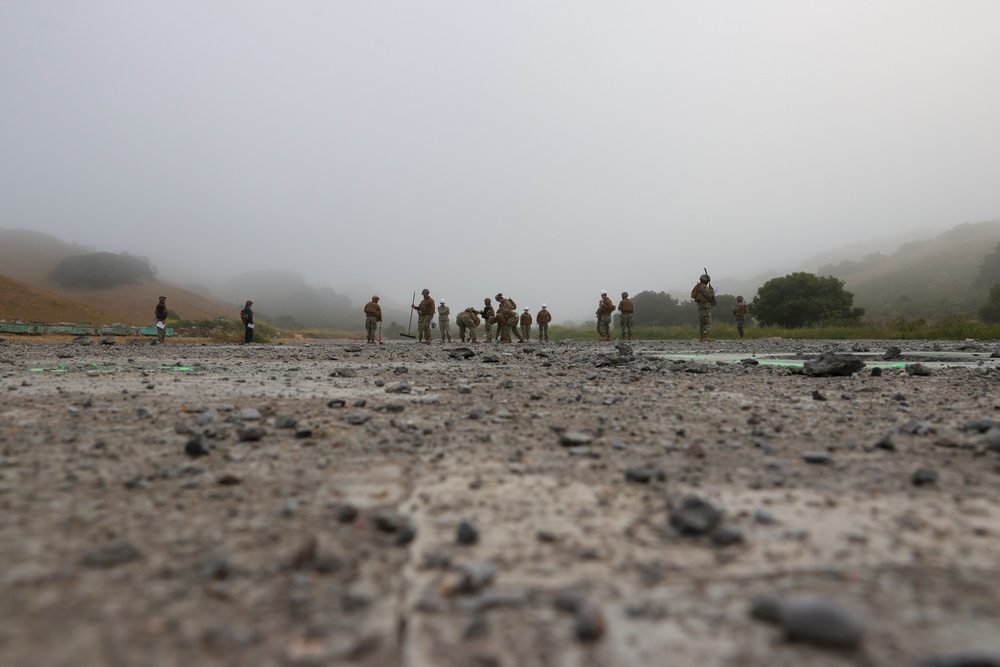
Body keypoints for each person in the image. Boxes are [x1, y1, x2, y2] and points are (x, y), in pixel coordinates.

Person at [691, 274, 715, 342]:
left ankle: (702, 337)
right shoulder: (704, 287)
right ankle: (705, 337)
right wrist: (712, 291)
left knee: (702, 322)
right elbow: (709, 295)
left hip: (701, 307)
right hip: (705, 306)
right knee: (708, 322)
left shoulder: (698, 286)